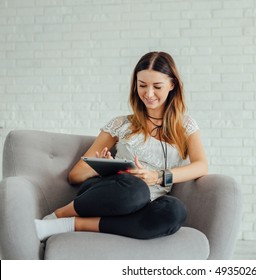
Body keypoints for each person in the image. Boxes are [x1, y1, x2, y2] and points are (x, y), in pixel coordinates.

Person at [34, 51, 208, 241]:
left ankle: (73, 224)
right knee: (137, 189)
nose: (148, 94)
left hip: (147, 204)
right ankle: (60, 214)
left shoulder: (185, 126)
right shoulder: (121, 124)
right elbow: (75, 175)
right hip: (113, 193)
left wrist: (158, 176)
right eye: (142, 85)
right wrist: (103, 168)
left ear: (172, 85)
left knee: (175, 211)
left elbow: (201, 165)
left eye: (157, 86)